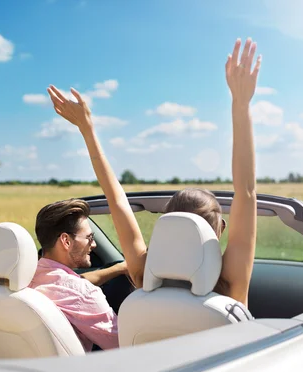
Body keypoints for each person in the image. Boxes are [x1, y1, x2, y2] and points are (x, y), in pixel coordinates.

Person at [46, 37, 261, 309]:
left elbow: (117, 200)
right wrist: (241, 104)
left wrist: (87, 129)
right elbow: (246, 192)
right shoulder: (230, 284)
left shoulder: (143, 275)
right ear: (220, 229)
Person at [29, 198, 128, 352]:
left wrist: (119, 269)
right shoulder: (83, 294)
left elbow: (72, 283)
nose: (93, 245)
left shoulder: (27, 278)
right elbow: (126, 345)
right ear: (66, 241)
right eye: (89, 238)